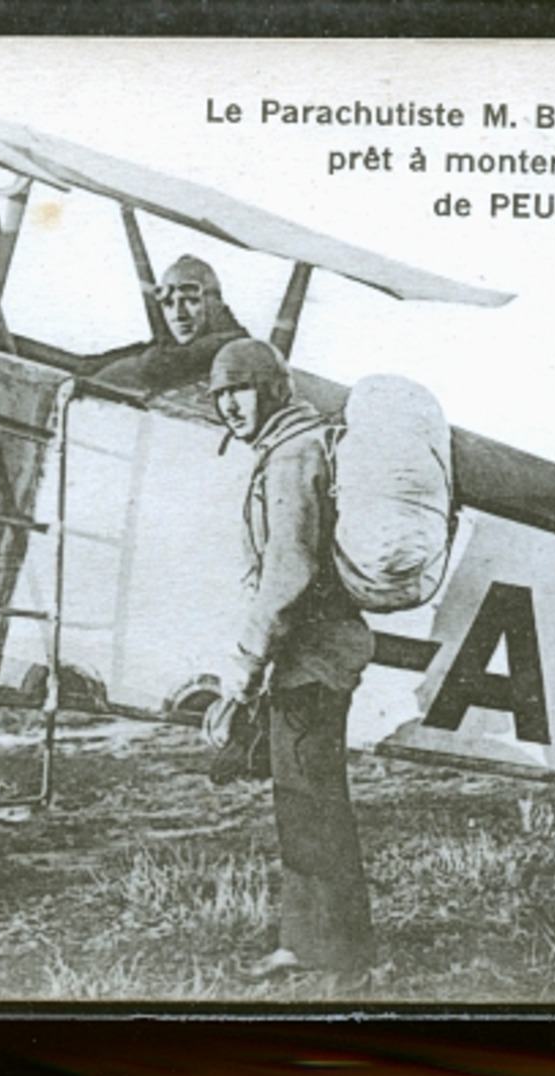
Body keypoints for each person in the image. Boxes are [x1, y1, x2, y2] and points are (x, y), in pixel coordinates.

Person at [200, 338, 377, 988]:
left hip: (313, 663)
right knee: (303, 806)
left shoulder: (293, 456)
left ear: (273, 388)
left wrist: (241, 675)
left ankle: (340, 957)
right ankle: (311, 943)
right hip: (309, 660)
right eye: (219, 395)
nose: (229, 407)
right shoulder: (293, 446)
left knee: (313, 806)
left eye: (239, 390)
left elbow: (290, 572)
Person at [86, 255, 249, 392]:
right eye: (169, 304)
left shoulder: (235, 348)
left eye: (191, 301)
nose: (178, 315)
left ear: (214, 304)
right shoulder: (174, 346)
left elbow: (154, 365)